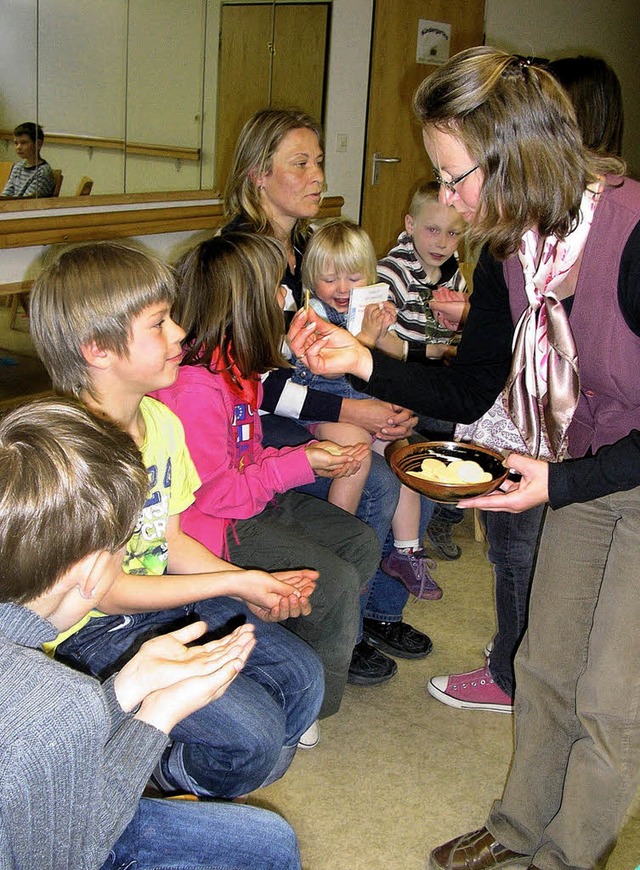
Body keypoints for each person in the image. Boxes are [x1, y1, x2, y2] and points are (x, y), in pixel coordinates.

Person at [289, 45, 640, 870]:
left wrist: (562, 480)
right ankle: (519, 829)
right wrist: (360, 360)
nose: (449, 199)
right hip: (585, 465)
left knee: (611, 697)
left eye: (458, 177)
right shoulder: (515, 252)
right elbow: (475, 385)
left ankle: (569, 854)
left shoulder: (631, 239)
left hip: (618, 470)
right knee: (545, 663)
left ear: (519, 153)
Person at [29, 240, 325, 800]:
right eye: (159, 324)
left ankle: (154, 752)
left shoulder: (161, 423)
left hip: (158, 600)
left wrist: (244, 583)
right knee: (253, 738)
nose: (180, 335)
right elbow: (105, 593)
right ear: (98, 349)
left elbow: (169, 540)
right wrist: (238, 581)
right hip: (81, 636)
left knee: (301, 682)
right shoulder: (69, 456)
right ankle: (132, 773)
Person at [0, 396, 301, 870]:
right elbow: (74, 853)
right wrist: (156, 719)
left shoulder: (45, 688)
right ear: (95, 571)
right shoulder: (59, 698)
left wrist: (128, 686)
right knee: (272, 846)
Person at [223, 107, 434, 685]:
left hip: (321, 402)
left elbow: (359, 339)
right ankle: (339, 624)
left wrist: (385, 400)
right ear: (257, 175)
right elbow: (255, 382)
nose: (317, 175)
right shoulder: (239, 261)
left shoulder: (314, 250)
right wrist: (350, 411)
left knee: (412, 465)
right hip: (258, 421)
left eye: (318, 162)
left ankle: (375, 612)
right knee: (377, 478)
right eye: (299, 163)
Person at [152, 230, 380, 725]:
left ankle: (296, 629)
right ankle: (312, 711)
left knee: (359, 544)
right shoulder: (196, 388)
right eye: (276, 287)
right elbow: (216, 491)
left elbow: (247, 453)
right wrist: (302, 464)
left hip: (249, 502)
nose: (285, 295)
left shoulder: (236, 367)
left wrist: (308, 454)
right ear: (245, 305)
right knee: (335, 584)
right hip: (215, 528)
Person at [295, 217, 442, 601]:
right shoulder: (311, 316)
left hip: (366, 403)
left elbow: (392, 359)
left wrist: (387, 332)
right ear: (312, 280)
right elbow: (333, 360)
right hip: (327, 409)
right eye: (330, 279)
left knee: (405, 456)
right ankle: (336, 539)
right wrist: (367, 337)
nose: (342, 289)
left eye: (354, 278)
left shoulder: (369, 310)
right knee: (356, 452)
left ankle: (407, 551)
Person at [375, 180, 469, 562]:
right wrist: (439, 348)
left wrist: (456, 326)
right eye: (432, 230)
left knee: (473, 422)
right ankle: (431, 515)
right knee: (441, 436)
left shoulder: (453, 273)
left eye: (453, 233)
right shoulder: (391, 272)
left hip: (434, 374)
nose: (441, 242)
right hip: (399, 379)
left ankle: (445, 514)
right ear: (410, 224)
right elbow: (385, 344)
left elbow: (458, 336)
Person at [1, 121, 55, 198]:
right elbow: (6, 195)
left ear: (38, 144)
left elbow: (26, 201)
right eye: (16, 143)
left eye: (23, 143)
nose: (18, 147)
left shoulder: (42, 172)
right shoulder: (18, 166)